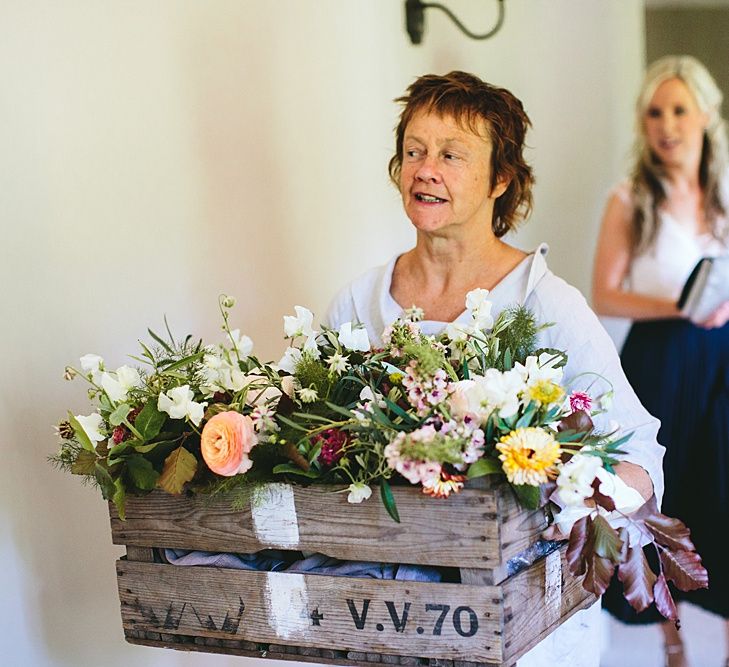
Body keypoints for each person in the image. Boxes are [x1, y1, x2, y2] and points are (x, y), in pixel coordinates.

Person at [325, 70, 665, 667]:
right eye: (414, 151)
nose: (424, 169)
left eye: (451, 155)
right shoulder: (360, 302)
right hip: (389, 621)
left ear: (500, 179)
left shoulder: (544, 302)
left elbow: (640, 453)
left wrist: (578, 504)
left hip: (525, 630)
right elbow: (304, 423)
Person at [592, 55, 729, 667]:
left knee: (722, 489)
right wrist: (679, 306)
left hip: (722, 358)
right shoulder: (629, 199)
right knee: (659, 500)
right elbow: (605, 292)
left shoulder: (724, 194)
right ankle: (667, 633)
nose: (667, 124)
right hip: (660, 363)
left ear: (705, 114)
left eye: (678, 110)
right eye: (654, 112)